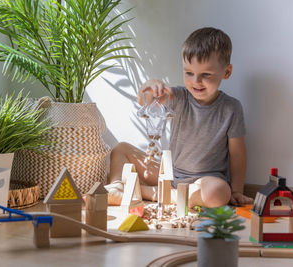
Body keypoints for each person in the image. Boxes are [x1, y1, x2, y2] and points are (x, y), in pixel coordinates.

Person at [105, 27, 253, 208]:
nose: (196, 81)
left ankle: (141, 192)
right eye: (189, 73)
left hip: (204, 182)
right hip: (169, 175)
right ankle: (117, 188)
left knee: (219, 192)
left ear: (226, 72)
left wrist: (237, 191)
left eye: (206, 74)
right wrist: (150, 87)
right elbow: (145, 100)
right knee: (121, 149)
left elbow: (237, 155)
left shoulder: (231, 108)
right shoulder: (178, 96)